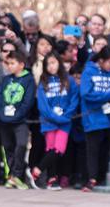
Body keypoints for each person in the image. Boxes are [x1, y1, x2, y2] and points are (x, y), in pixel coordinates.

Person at [34, 53, 79, 190]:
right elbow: (43, 105)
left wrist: (66, 116)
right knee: (50, 148)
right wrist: (55, 117)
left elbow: (74, 99)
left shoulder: (69, 80)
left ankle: (36, 170)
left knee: (59, 149)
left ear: (59, 62)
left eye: (53, 62)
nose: (51, 66)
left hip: (65, 122)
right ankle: (52, 179)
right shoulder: (43, 83)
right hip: (49, 122)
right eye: (48, 64)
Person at [79, 46, 110, 192]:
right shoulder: (88, 72)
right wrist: (107, 96)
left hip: (109, 118)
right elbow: (86, 94)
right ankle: (91, 178)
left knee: (108, 148)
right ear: (101, 60)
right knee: (93, 149)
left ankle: (103, 176)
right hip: (92, 118)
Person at [0, 47, 35, 190]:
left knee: (21, 145)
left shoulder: (28, 79)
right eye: (8, 63)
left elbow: (28, 101)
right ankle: (11, 176)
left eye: (12, 63)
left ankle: (18, 175)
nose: (9, 66)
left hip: (20, 121)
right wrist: (0, 113)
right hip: (4, 120)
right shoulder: (6, 79)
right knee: (7, 148)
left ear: (21, 64)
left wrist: (17, 114)